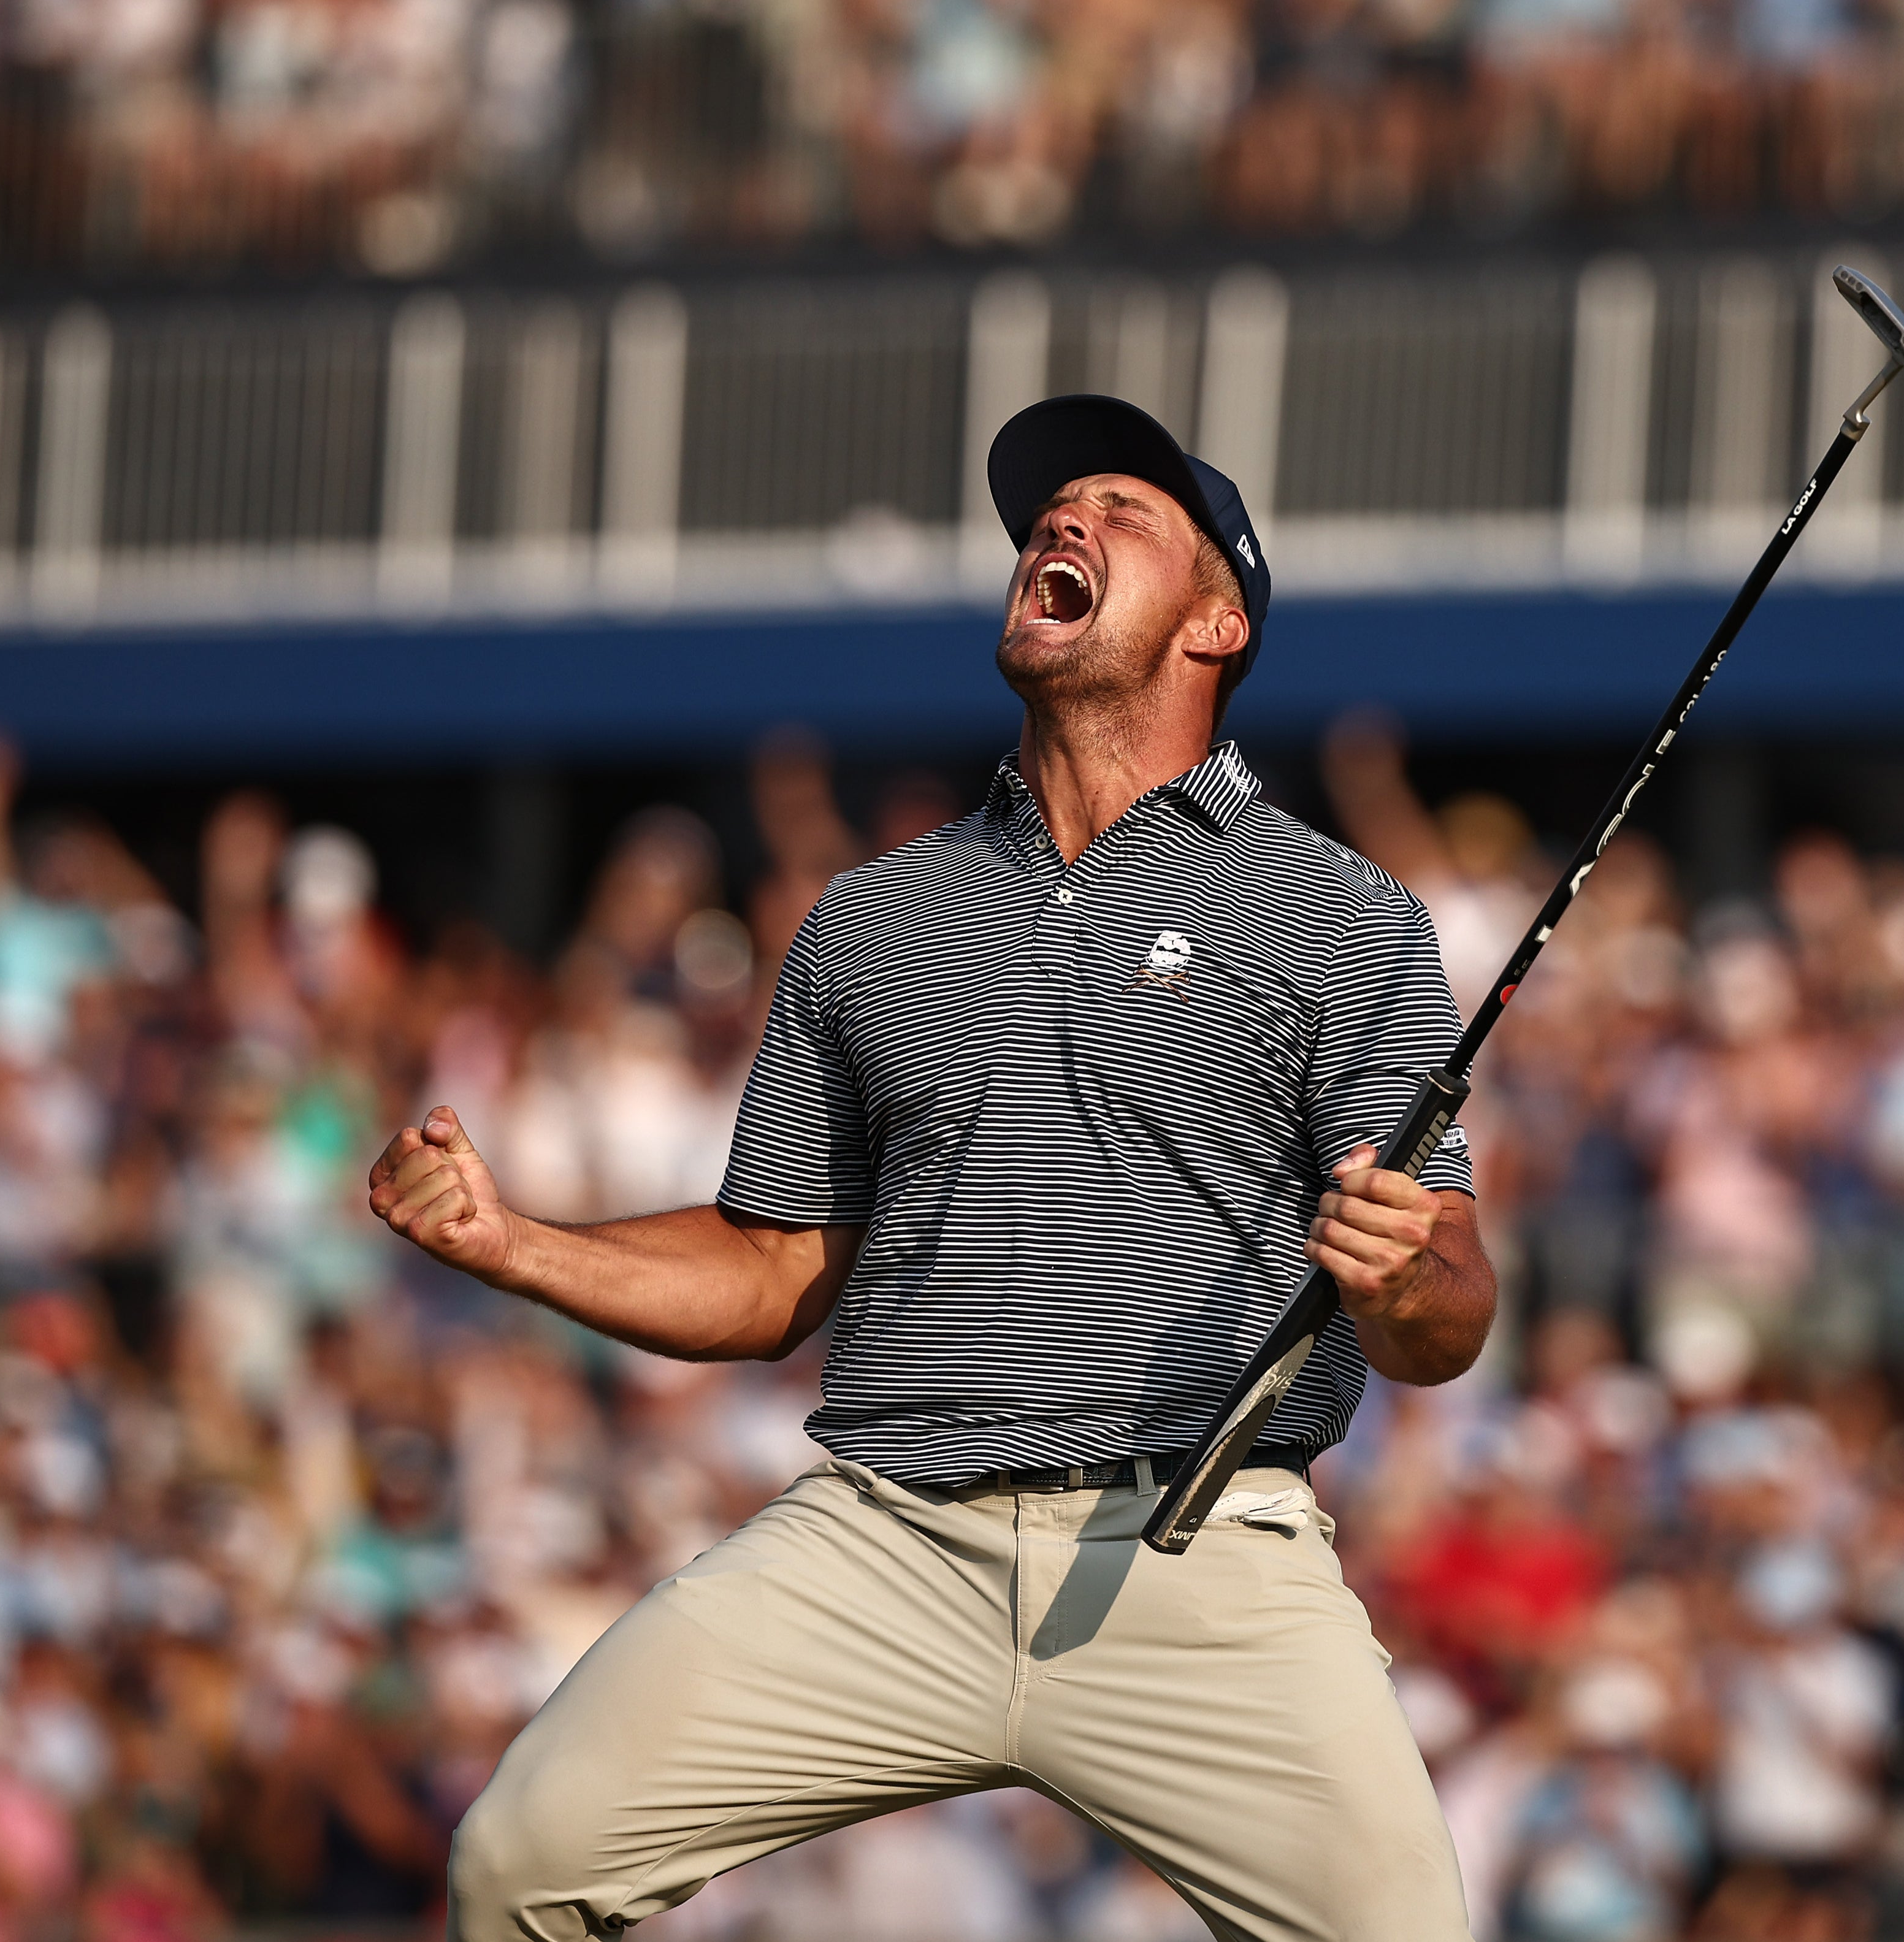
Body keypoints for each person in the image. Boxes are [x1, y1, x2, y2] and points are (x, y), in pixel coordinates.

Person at [364, 392, 1498, 1941]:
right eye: (1052, 512)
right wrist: (520, 1245)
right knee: (519, 1861)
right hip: (888, 1535)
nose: (1062, 525)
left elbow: (1448, 1314)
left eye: (1124, 511)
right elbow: (775, 1272)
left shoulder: (1340, 912)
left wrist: (1406, 1273)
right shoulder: (871, 917)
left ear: (1218, 619)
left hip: (1201, 1553)